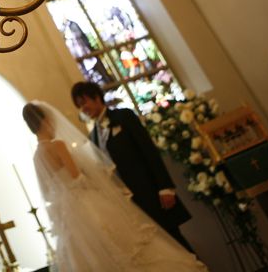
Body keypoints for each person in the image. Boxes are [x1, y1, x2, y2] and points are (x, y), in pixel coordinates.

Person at [23, 100, 206, 271]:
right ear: (45, 120)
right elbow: (78, 179)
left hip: (69, 217)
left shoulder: (36, 157)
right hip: (88, 204)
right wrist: (95, 174)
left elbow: (47, 194)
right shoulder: (58, 145)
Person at [70, 81, 194, 251]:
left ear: (96, 97)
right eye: (79, 106)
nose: (83, 108)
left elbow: (148, 150)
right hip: (129, 204)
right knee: (159, 249)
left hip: (150, 193)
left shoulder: (123, 116)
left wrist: (165, 187)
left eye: (84, 102)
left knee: (177, 244)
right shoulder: (93, 137)